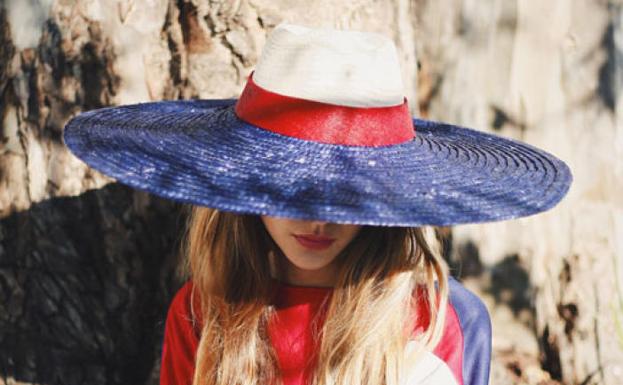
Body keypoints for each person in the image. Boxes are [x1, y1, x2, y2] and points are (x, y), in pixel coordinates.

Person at [63, 23, 572, 385]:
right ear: (246, 183)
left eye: (346, 196)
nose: (318, 219)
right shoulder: (202, 312)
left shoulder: (441, 320)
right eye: (293, 192)